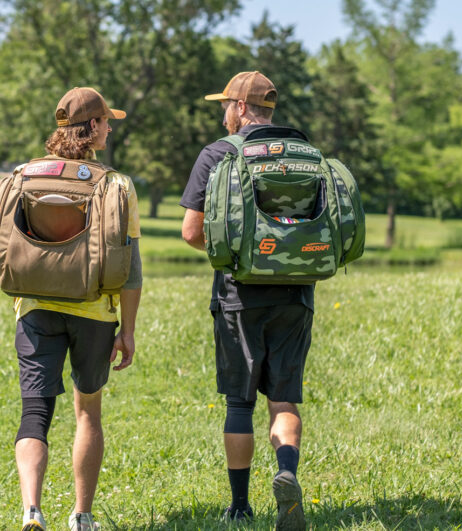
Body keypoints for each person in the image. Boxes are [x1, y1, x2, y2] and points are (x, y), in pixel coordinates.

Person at [179, 71, 310, 530]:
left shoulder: (218, 153)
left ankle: (239, 505)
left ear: (238, 108)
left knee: (240, 402)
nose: (223, 112)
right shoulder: (303, 151)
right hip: (297, 291)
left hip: (239, 294)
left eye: (225, 105)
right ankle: (287, 472)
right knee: (284, 397)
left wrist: (234, 250)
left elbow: (192, 232)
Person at [14, 87, 143, 531]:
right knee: (87, 410)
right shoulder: (115, 184)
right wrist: (128, 330)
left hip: (34, 308)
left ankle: (31, 508)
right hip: (94, 312)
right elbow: (131, 271)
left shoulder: (27, 175)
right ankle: (82, 515)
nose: (109, 128)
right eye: (106, 121)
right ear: (90, 127)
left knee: (34, 412)